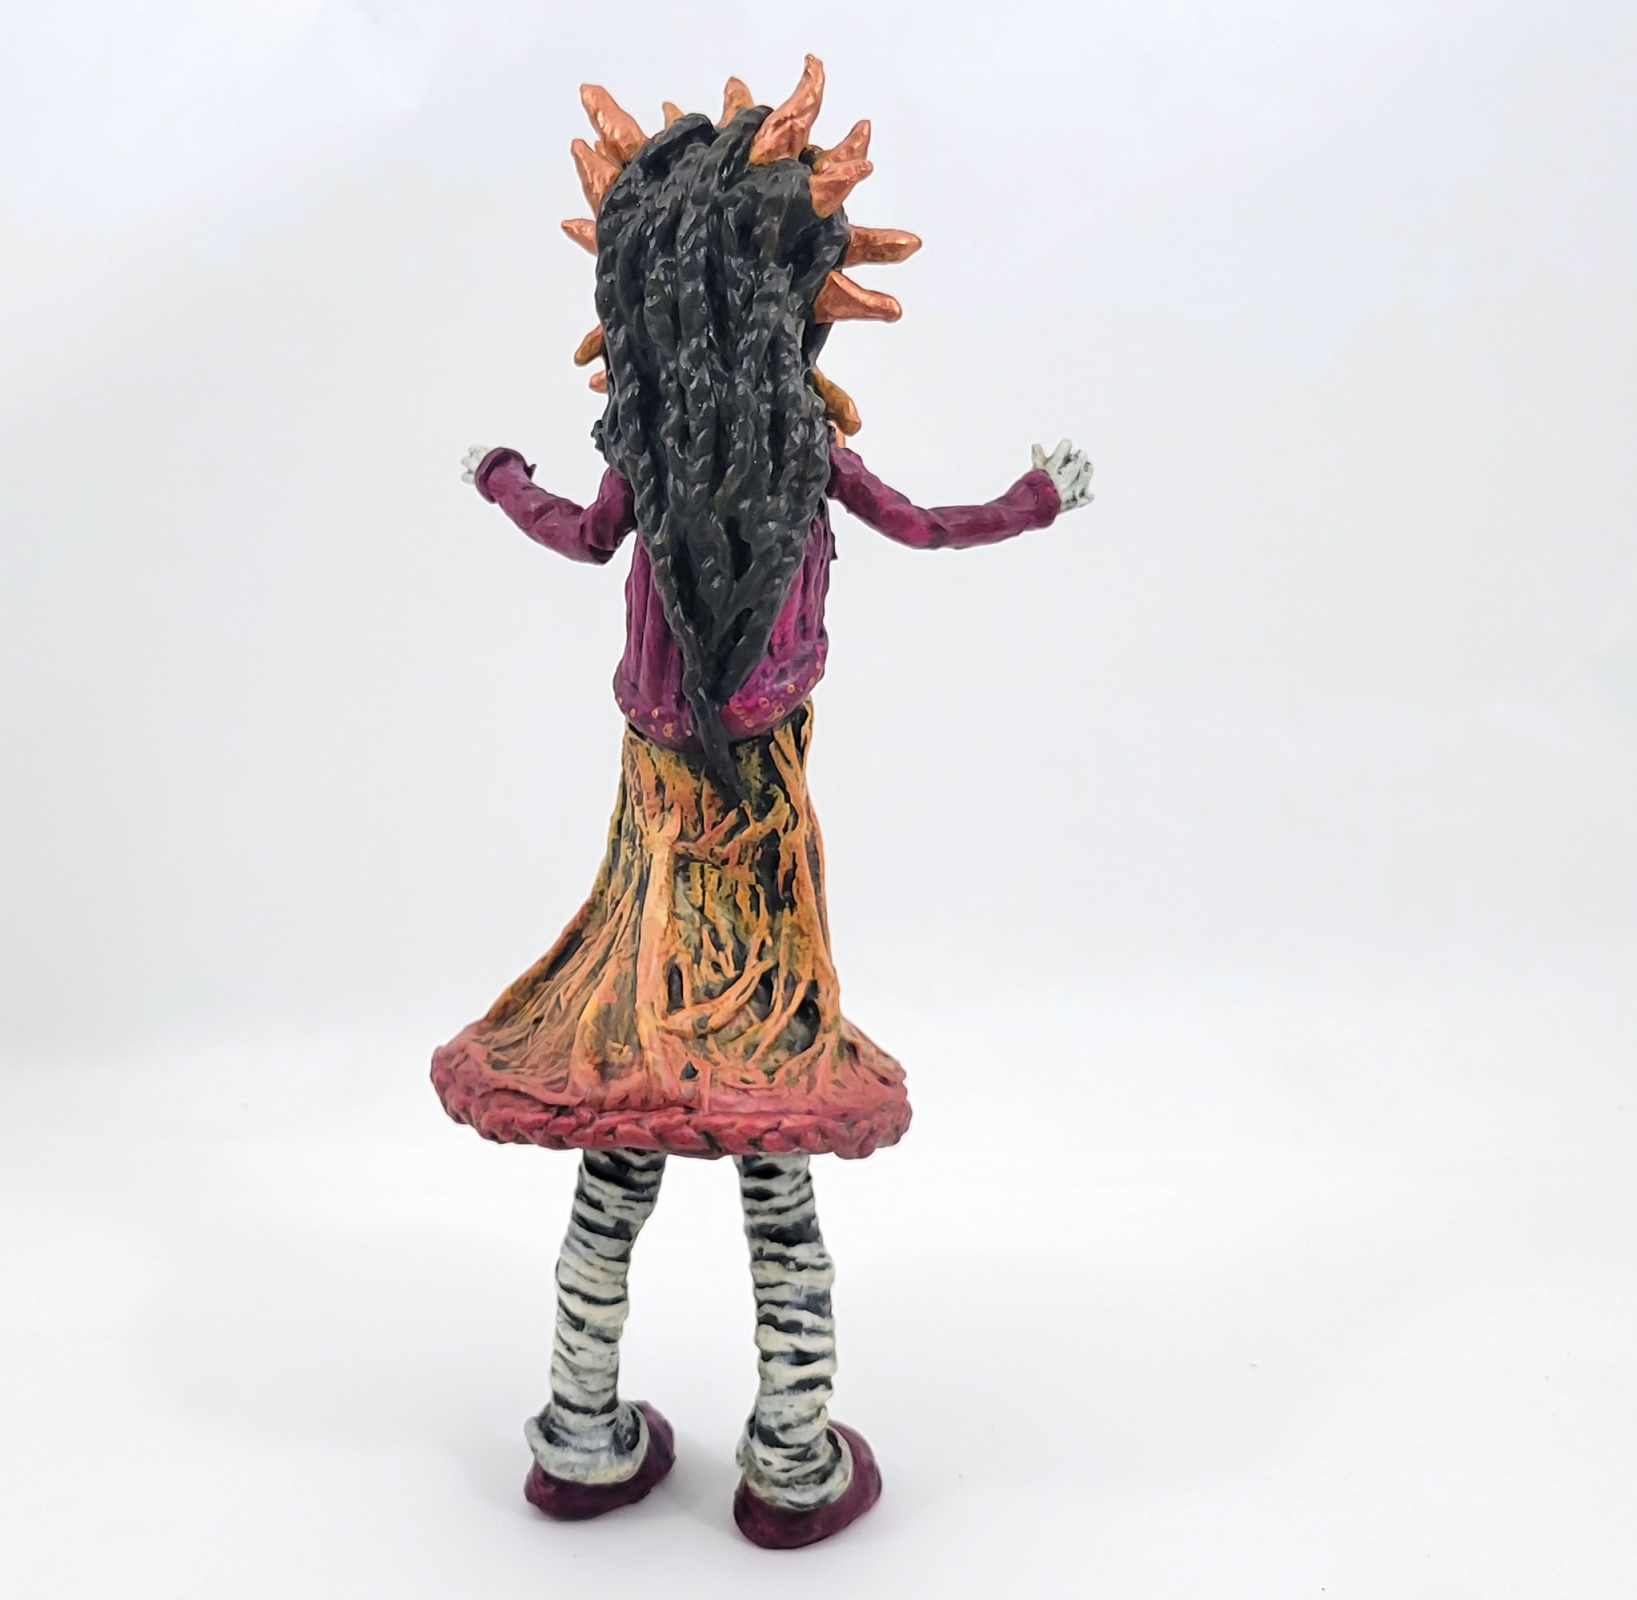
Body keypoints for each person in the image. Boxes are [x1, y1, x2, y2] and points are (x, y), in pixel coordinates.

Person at [433, 57, 1093, 1549]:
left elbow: (573, 532)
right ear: (793, 293)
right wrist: (1040, 495)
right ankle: (792, 1453)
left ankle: (581, 1429)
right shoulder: (803, 450)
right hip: (762, 849)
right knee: (766, 1128)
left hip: (655, 843)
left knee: (627, 1100)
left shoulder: (646, 458)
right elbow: (930, 526)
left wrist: (498, 472)